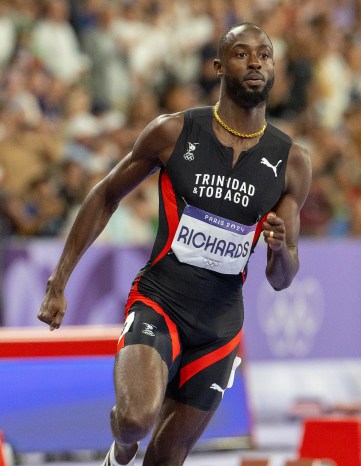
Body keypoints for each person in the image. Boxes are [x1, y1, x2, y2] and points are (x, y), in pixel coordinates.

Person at [37, 23, 311, 466]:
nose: (256, 61)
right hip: (161, 300)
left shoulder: (291, 161)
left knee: (167, 456)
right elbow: (107, 194)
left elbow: (283, 279)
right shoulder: (174, 132)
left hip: (220, 325)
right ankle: (119, 451)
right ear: (219, 67)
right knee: (135, 420)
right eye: (243, 54)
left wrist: (280, 250)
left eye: (265, 54)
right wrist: (59, 279)